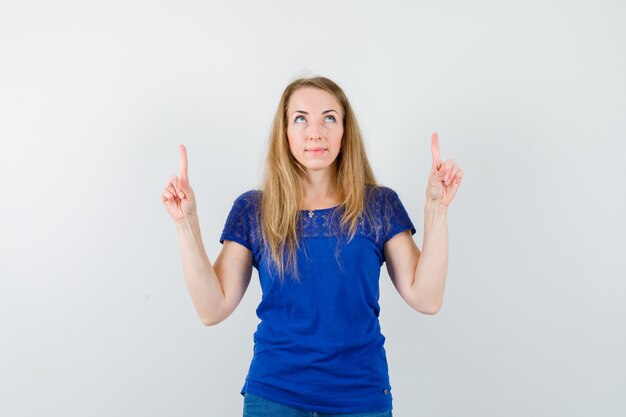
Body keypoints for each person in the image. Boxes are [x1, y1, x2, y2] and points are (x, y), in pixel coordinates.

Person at [161, 76, 463, 417]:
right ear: (285, 132)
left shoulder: (379, 205)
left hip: (361, 396)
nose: (315, 132)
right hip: (274, 395)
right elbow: (212, 308)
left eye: (329, 118)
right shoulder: (254, 210)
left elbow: (427, 298)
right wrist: (186, 223)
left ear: (345, 131)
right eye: (301, 118)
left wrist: (437, 208)